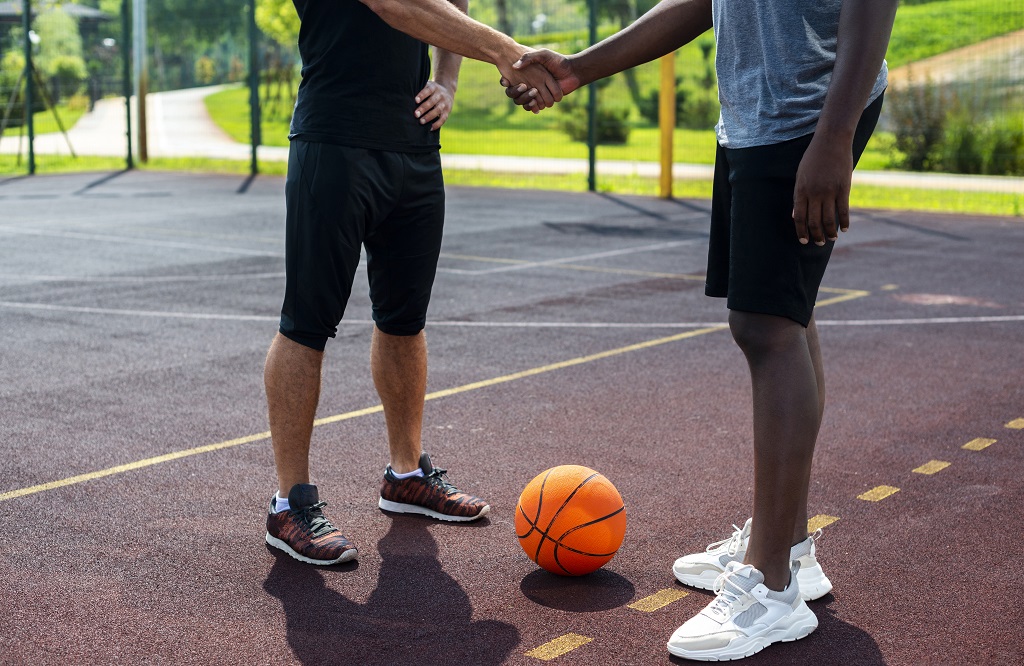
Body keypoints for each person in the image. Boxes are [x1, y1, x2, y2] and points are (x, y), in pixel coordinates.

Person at [504, 0, 896, 660]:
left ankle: (771, 588)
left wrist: (834, 135)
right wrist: (577, 68)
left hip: (806, 114)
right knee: (784, 314)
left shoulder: (815, 118)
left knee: (766, 326)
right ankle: (789, 547)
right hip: (757, 115)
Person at [264, 0, 562, 567]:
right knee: (306, 323)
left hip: (415, 145)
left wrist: (447, 80)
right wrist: (504, 50)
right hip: (336, 138)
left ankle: (406, 477)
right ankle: (289, 504)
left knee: (404, 320)